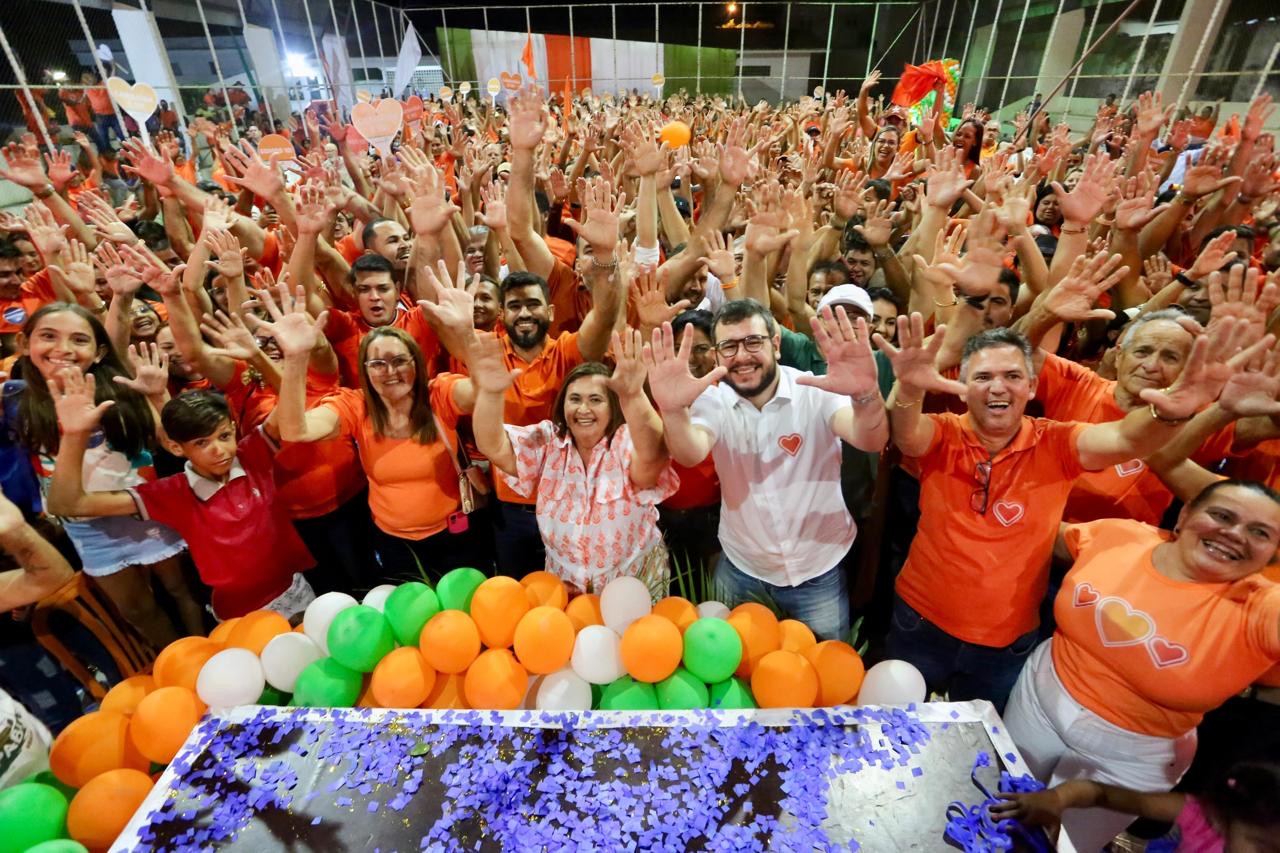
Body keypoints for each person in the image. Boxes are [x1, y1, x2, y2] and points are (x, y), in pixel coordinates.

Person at [877, 316, 1252, 712]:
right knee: (892, 728)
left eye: (1012, 375)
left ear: (1032, 385)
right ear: (964, 387)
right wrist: (910, 386)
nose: (998, 387)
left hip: (1006, 640)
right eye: (983, 376)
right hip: (919, 622)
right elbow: (907, 434)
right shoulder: (944, 432)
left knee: (983, 752)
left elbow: (1125, 438)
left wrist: (1174, 410)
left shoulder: (1058, 442)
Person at [1001, 479, 1280, 850]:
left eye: (1259, 532)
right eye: (1221, 515)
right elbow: (1040, 534)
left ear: (1272, 553)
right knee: (996, 802)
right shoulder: (1120, 536)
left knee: (1060, 844)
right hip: (1036, 702)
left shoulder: (1261, 609)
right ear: (1184, 515)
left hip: (1129, 758)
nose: (1234, 534)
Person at [644, 298, 889, 640]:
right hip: (742, 568)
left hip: (817, 568)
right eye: (729, 346)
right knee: (731, 674)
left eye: (752, 342)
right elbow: (689, 452)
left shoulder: (815, 391)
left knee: (822, 679)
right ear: (716, 354)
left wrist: (866, 395)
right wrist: (671, 410)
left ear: (775, 345)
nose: (741, 356)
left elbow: (870, 439)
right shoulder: (712, 401)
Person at [47, 380, 316, 621]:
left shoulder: (253, 453)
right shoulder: (171, 493)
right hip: (240, 613)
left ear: (233, 429)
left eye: (224, 436)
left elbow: (292, 404)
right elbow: (66, 504)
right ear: (177, 448)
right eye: (201, 443)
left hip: (294, 589)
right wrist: (74, 435)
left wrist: (296, 355)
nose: (219, 450)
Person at [14, 304, 202, 646]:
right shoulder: (15, 403)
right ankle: (179, 663)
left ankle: (204, 651)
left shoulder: (122, 390)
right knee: (136, 611)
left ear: (99, 353)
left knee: (182, 590)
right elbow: (59, 498)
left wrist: (157, 396)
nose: (63, 349)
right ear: (24, 343)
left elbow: (167, 444)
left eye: (79, 339)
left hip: (143, 508)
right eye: (48, 336)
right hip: (88, 528)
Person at [271, 283, 487, 580]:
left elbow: (482, 390)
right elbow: (295, 431)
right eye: (378, 363)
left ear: (417, 364)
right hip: (395, 544)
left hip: (454, 534)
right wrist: (295, 359)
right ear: (365, 369)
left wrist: (466, 333)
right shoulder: (354, 406)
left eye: (399, 361)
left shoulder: (439, 394)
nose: (390, 371)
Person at [471, 328, 678, 593]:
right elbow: (493, 446)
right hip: (567, 591)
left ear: (614, 406)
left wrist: (634, 394)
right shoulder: (548, 440)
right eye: (575, 399)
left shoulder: (627, 439)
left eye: (595, 400)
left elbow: (652, 458)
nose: (583, 409)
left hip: (633, 590)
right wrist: (489, 392)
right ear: (562, 405)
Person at [992, 760, 1280, 853]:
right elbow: (1096, 793)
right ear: (1219, 819)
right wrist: (1056, 799)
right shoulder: (1198, 816)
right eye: (1263, 846)